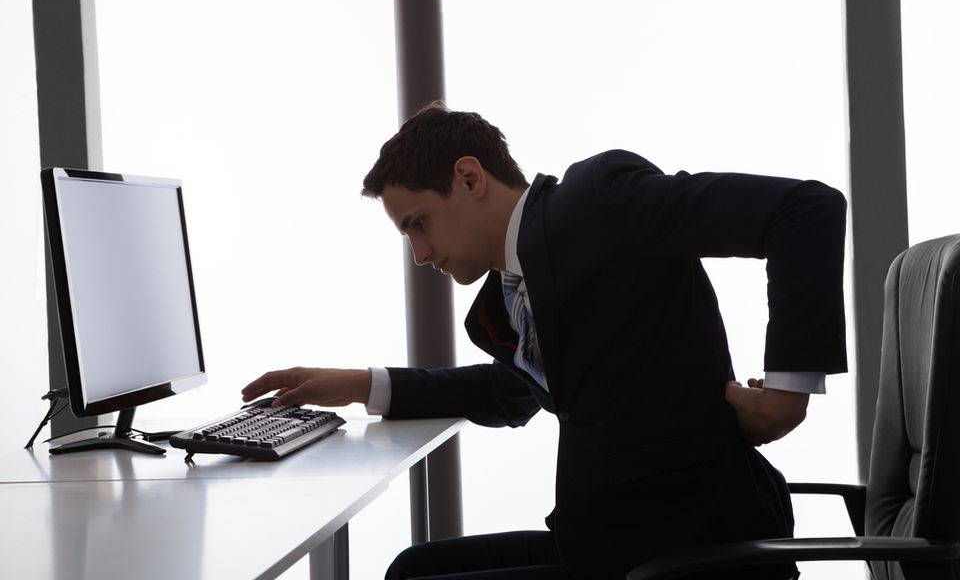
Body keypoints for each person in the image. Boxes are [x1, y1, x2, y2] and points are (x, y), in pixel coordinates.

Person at [241, 103, 847, 580]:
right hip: (612, 542)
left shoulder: (600, 201)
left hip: (689, 547)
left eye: (417, 224)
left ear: (469, 177)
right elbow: (512, 394)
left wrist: (788, 394)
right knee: (411, 567)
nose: (419, 254)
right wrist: (357, 385)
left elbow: (805, 210)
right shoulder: (503, 302)